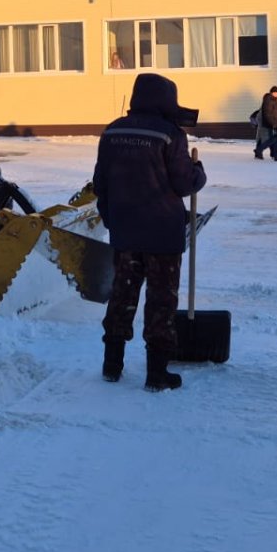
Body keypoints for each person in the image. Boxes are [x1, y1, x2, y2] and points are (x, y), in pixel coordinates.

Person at [94, 72, 207, 392]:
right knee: (161, 300)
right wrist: (198, 173)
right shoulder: (170, 135)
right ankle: (157, 373)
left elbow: (100, 183)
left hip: (125, 232)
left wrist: (112, 218)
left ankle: (111, 364)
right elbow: (184, 183)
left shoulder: (112, 131)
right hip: (162, 234)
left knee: (122, 295)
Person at [253, 86, 277, 162]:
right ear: (272, 93)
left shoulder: (273, 100)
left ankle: (275, 155)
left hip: (274, 124)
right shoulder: (269, 100)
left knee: (274, 139)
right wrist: (273, 124)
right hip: (271, 124)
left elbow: (275, 113)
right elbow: (268, 114)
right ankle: (261, 151)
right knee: (275, 139)